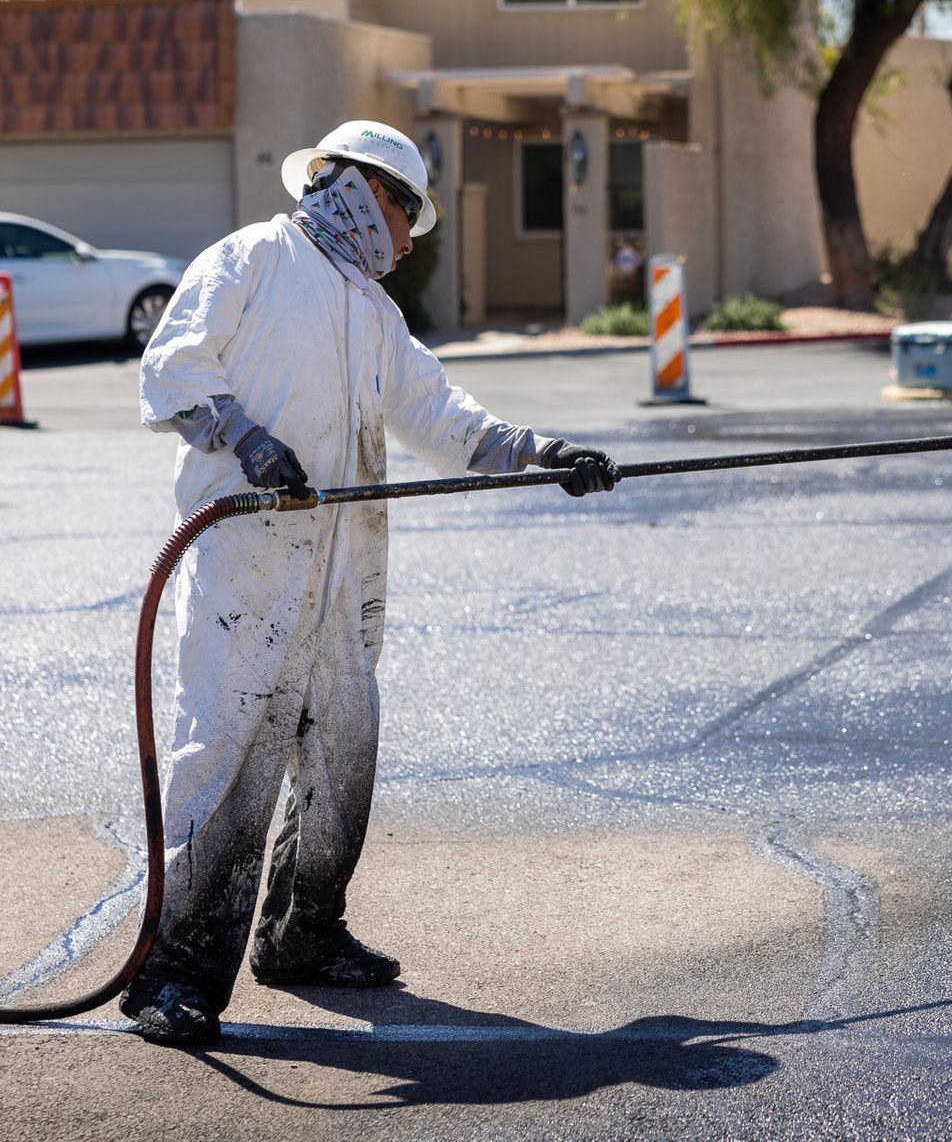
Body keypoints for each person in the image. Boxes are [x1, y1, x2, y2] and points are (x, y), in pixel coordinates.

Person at [124, 120, 619, 1044]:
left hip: (342, 577)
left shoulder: (371, 311)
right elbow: (173, 366)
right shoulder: (252, 259)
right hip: (250, 567)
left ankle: (302, 935)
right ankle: (172, 973)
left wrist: (539, 453)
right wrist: (244, 436)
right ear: (365, 192)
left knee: (342, 759)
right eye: (405, 216)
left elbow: (438, 411)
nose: (404, 240)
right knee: (227, 764)